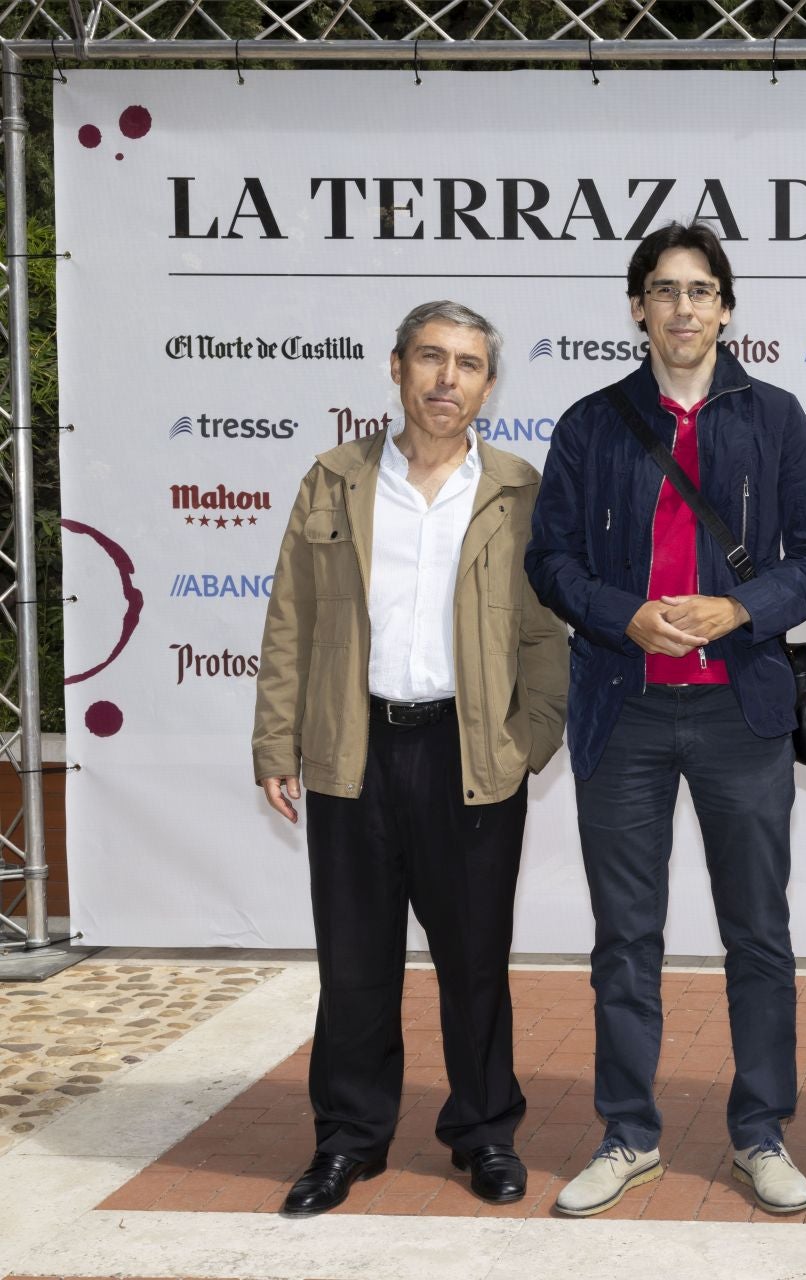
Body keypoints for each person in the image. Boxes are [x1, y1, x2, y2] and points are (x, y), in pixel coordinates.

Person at [525, 221, 806, 1218]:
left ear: (727, 309)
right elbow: (550, 560)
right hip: (623, 711)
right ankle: (628, 1133)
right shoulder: (591, 423)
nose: (683, 306)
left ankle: (760, 1133)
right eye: (664, 289)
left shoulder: (776, 417)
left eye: (701, 290)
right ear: (638, 308)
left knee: (759, 934)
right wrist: (624, 614)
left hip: (741, 713)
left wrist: (740, 609)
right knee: (625, 936)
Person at [252, 300, 567, 1217]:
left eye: (467, 364)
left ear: (488, 385)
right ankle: (348, 1141)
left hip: (471, 755)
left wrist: (528, 741)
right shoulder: (334, 480)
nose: (446, 379)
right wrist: (277, 740)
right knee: (355, 964)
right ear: (396, 368)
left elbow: (547, 636)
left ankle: (484, 1134)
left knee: (476, 963)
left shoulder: (518, 490)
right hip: (352, 751)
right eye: (430, 358)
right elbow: (290, 619)